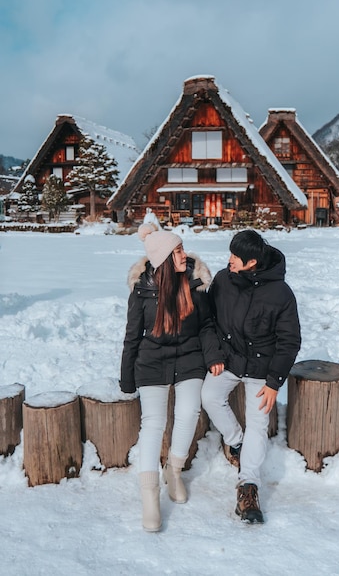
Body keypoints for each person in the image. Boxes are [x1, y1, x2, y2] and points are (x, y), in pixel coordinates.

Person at [119, 223, 224, 533]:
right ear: (164, 259)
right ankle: (149, 497)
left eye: (182, 248)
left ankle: (174, 470)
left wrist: (213, 356)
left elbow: (206, 326)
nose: (184, 254)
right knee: (153, 424)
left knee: (189, 410)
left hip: (189, 358)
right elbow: (131, 336)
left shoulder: (194, 281)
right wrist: (127, 378)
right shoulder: (143, 289)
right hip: (151, 362)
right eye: (177, 251)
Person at [201, 229, 301, 524]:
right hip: (229, 360)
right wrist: (214, 355)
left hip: (262, 369)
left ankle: (249, 487)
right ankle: (236, 442)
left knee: (259, 422)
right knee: (210, 396)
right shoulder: (222, 280)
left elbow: (289, 341)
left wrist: (274, 383)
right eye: (230, 253)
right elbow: (207, 321)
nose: (229, 260)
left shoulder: (281, 293)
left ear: (252, 262)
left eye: (236, 257)